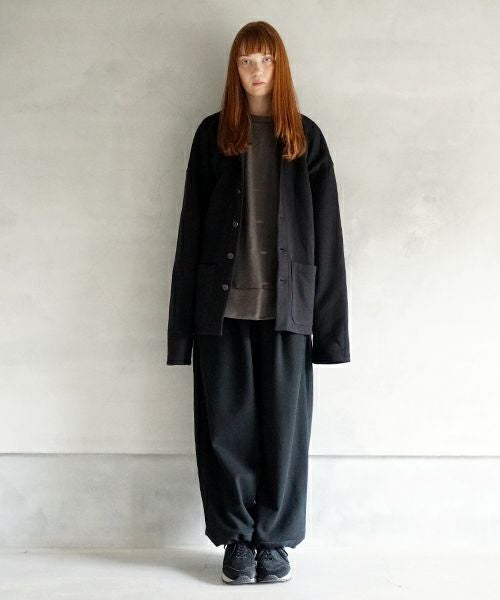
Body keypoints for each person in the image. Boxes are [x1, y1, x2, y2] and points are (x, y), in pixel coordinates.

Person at [166, 21, 350, 584]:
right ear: (235, 69)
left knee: (285, 433)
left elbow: (328, 237)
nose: (256, 71)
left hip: (288, 311)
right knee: (226, 431)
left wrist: (331, 332)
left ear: (280, 65)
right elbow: (191, 231)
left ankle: (274, 541)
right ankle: (236, 539)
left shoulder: (305, 137)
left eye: (265, 59)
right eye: (246, 61)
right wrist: (180, 332)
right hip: (221, 311)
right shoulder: (214, 135)